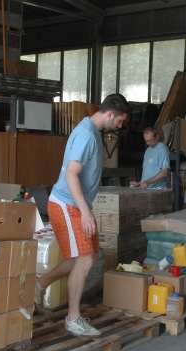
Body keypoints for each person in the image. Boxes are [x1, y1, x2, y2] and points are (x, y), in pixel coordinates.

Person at [35, 94, 130, 337]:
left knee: (84, 256)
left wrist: (85, 208)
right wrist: (86, 212)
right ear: (110, 114)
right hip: (66, 204)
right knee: (85, 259)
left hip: (76, 204)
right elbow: (71, 174)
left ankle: (40, 283)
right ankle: (73, 318)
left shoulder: (93, 131)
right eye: (120, 121)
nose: (120, 126)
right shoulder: (87, 134)